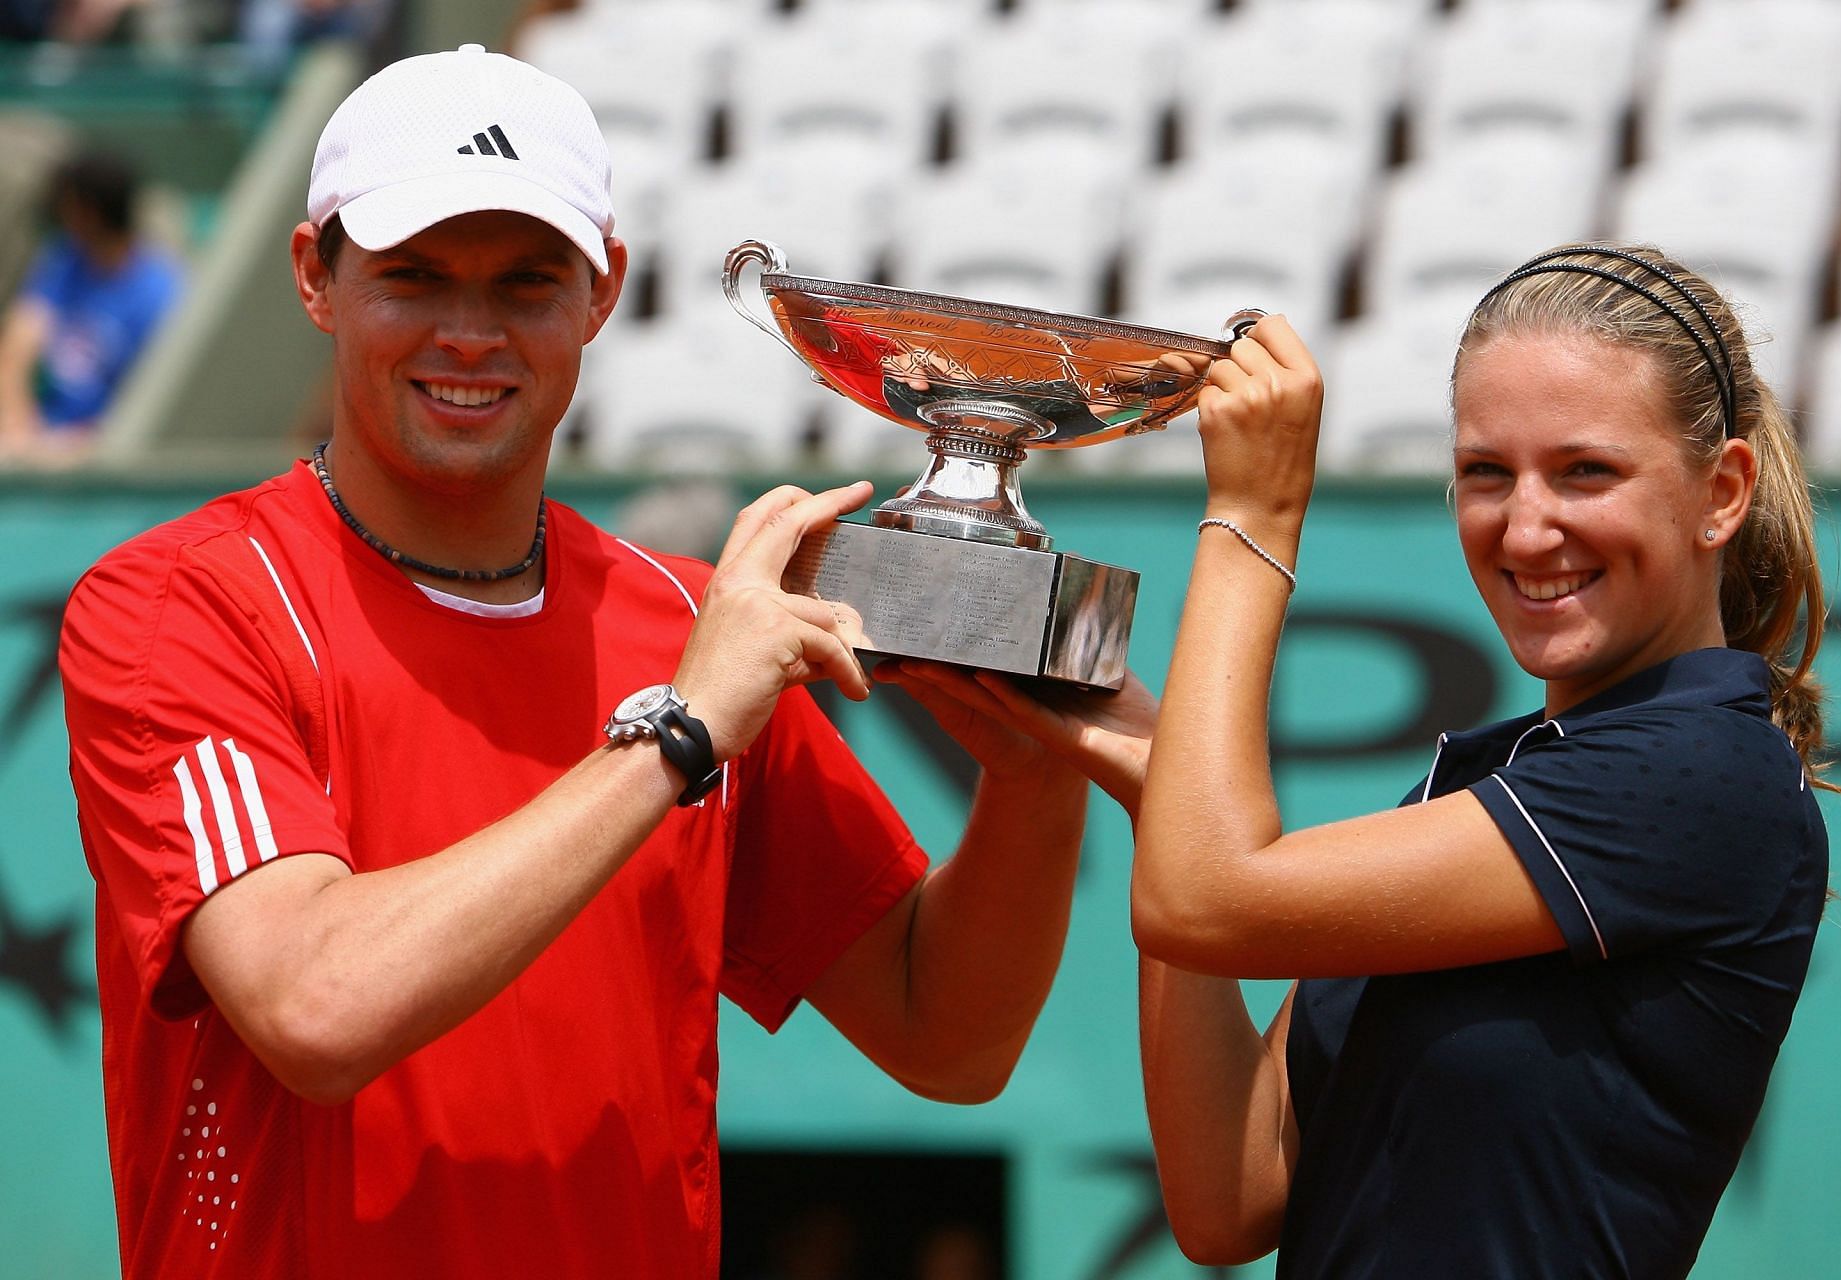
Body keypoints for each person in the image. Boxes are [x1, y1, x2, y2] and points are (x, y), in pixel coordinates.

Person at [58, 45, 1129, 1279]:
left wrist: (1032, 780)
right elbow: (316, 1003)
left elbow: (949, 1032)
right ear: (316, 275)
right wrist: (675, 736)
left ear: (602, 291)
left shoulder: (687, 623)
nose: (470, 332)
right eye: (412, 276)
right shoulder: (183, 601)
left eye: (526, 282)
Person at [1115, 244, 1839, 1275]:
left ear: (1721, 491)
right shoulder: (1489, 786)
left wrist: (1253, 516)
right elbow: (1232, 1193)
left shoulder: (1706, 768)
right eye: (1486, 473)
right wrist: (1159, 791)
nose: (1527, 526)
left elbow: (1203, 896)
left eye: (1586, 470)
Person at [0, 149, 182, 465]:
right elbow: (17, 347)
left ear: (89, 212)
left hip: (112, 453)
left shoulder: (160, 291)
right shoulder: (65, 260)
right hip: (46, 437)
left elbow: (152, 404)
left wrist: (78, 446)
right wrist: (19, 425)